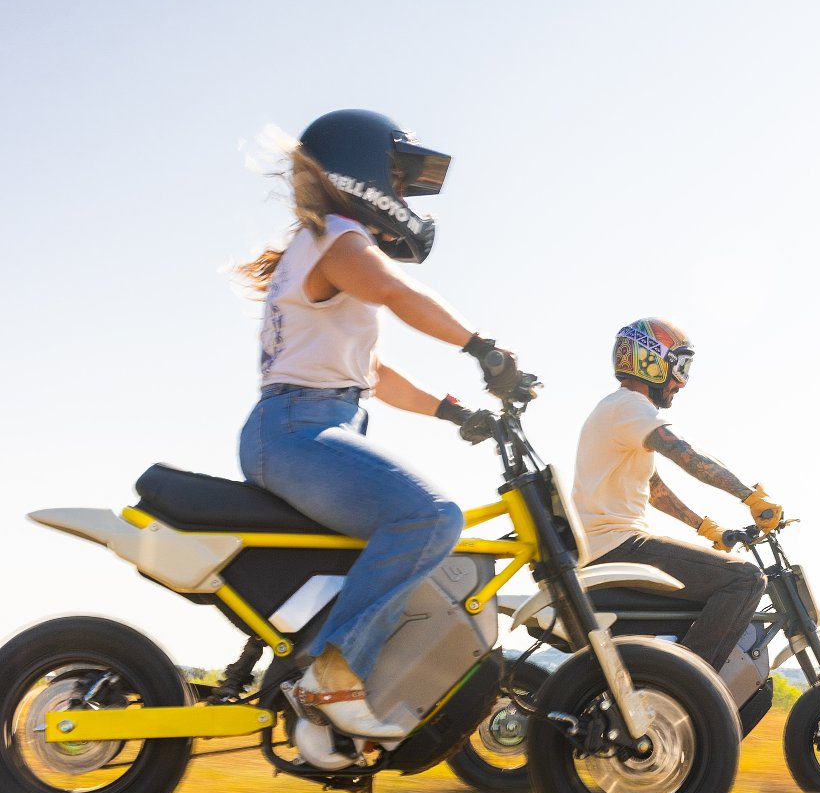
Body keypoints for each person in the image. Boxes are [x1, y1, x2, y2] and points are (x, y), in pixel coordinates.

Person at [237, 109, 516, 740]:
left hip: (307, 423)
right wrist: (483, 347)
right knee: (430, 518)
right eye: (394, 174)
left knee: (399, 542)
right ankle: (331, 676)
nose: (401, 192)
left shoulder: (321, 244)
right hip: (297, 430)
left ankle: (321, 707)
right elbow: (397, 293)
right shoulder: (338, 238)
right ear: (358, 170)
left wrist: (453, 412)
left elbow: (373, 374)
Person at [572, 318, 782, 672]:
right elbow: (684, 452)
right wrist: (750, 497)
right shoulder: (630, 407)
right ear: (650, 361)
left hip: (606, 545)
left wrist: (706, 528)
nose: (681, 383)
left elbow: (653, 490)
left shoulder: (618, 411)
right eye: (680, 368)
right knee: (746, 579)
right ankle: (688, 684)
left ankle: (672, 673)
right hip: (617, 544)